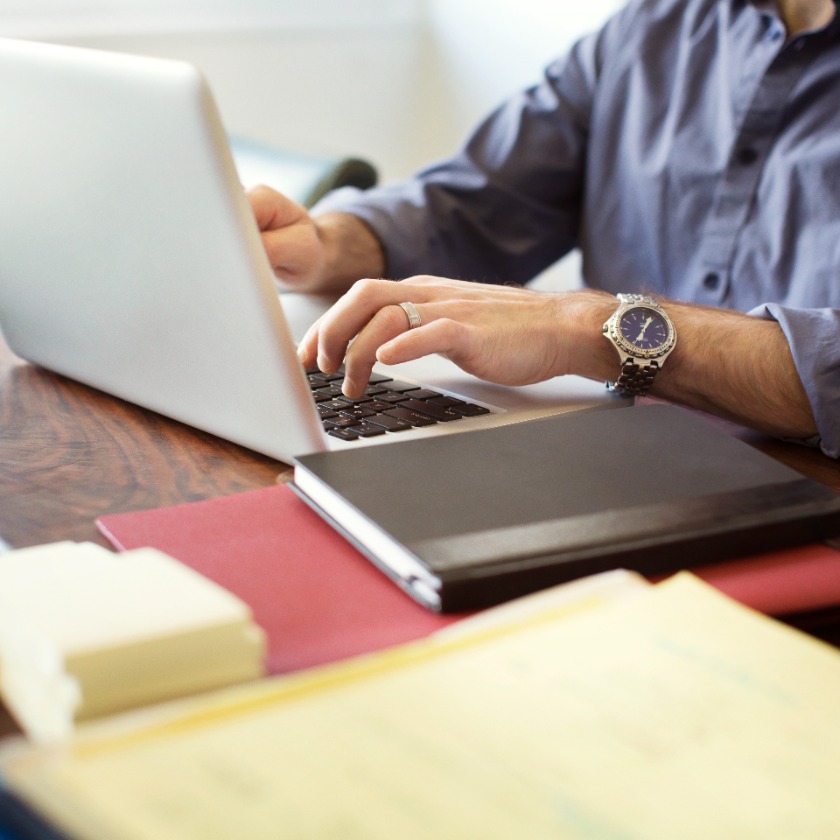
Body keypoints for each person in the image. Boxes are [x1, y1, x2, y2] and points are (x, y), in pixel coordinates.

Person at [247, 0, 840, 457]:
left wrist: (586, 328)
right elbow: (477, 199)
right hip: (612, 448)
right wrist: (327, 245)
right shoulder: (655, 23)